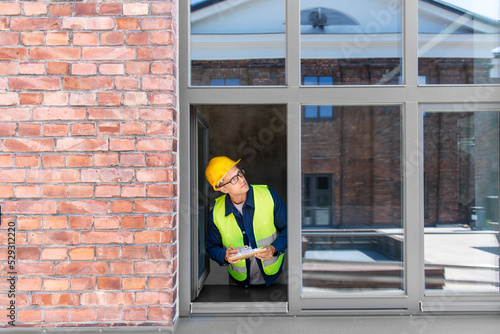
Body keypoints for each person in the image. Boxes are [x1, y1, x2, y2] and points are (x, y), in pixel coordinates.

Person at [205, 156, 287, 288]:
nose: (241, 179)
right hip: (239, 282)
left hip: (274, 277)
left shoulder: (269, 197)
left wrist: (274, 248)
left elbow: (289, 229)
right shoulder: (216, 214)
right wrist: (224, 256)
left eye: (239, 173)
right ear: (223, 189)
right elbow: (212, 247)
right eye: (233, 179)